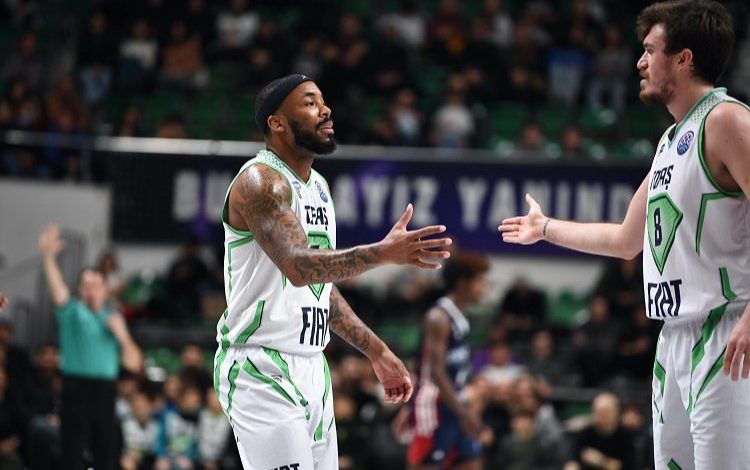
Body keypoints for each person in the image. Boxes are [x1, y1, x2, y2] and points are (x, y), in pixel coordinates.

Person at [499, 1, 750, 468]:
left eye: (650, 50)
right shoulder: (670, 141)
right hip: (674, 335)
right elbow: (625, 240)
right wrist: (545, 228)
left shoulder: (727, 120)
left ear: (684, 59)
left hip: (727, 329)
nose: (639, 62)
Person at [214, 73, 452, 469]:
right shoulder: (260, 181)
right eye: (310, 103)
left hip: (312, 366)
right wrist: (382, 253)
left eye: (323, 101)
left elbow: (318, 287)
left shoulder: (319, 188)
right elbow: (297, 266)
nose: (325, 110)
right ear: (277, 123)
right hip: (260, 365)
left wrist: (377, 351)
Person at [39, 223, 142, 469]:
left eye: (95, 285)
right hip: (76, 389)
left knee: (106, 456)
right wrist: (48, 256)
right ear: (80, 290)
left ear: (105, 289)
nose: (90, 291)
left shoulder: (113, 319)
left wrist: (122, 335)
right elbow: (58, 291)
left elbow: (134, 363)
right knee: (72, 457)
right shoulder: (73, 313)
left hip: (105, 392)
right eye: (85, 285)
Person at [407, 251, 490, 470]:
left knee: (471, 462)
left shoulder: (460, 317)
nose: (484, 287)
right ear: (463, 283)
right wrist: (465, 413)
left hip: (454, 399)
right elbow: (436, 372)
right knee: (427, 465)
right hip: (434, 403)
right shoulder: (439, 317)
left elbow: (456, 367)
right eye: (480, 281)